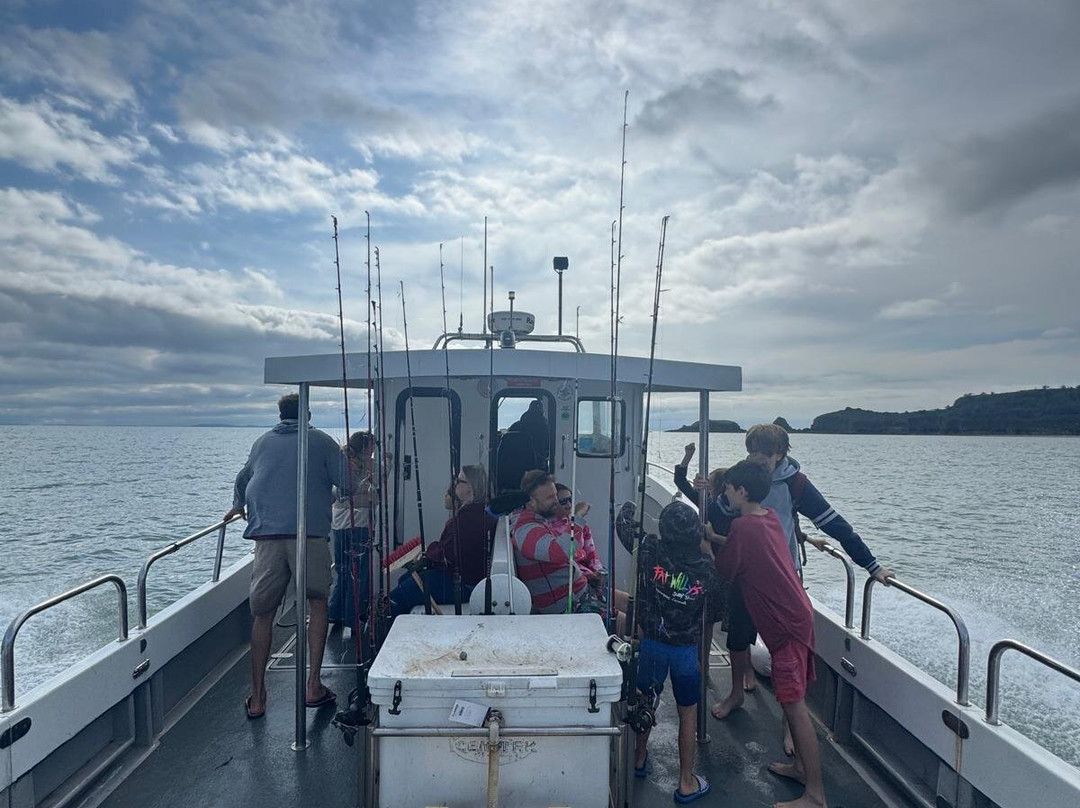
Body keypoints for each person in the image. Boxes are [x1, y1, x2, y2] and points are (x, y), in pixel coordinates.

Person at [713, 423, 894, 732]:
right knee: (738, 636)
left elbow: (835, 523)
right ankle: (735, 693)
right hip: (747, 574)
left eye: (761, 452)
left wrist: (872, 566)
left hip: (783, 575)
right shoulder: (741, 474)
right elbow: (720, 511)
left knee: (787, 652)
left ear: (780, 454)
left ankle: (790, 726)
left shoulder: (795, 484)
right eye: (750, 451)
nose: (754, 458)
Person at [224, 393, 350, 719]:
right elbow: (348, 483)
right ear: (307, 414)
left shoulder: (262, 442)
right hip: (308, 535)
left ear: (280, 414)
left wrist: (238, 505)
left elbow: (243, 478)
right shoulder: (321, 441)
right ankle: (313, 686)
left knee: (263, 614)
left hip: (266, 535)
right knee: (318, 602)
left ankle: (257, 698)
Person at [711, 459, 827, 808]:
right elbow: (746, 549)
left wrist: (706, 546)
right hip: (798, 614)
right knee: (793, 701)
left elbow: (725, 569)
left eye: (728, 488)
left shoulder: (743, 529)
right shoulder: (768, 518)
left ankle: (816, 795)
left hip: (785, 626)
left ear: (741, 491)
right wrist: (717, 536)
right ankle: (798, 768)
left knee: (794, 707)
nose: (725, 493)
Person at [615, 500, 718, 804]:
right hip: (685, 653)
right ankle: (686, 781)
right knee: (688, 714)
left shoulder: (649, 550)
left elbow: (623, 528)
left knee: (646, 702)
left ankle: (639, 757)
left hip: (653, 646)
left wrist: (629, 508)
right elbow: (714, 608)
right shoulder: (706, 569)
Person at [390, 464, 497, 615]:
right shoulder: (473, 514)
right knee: (406, 579)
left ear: (470, 489)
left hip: (463, 586)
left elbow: (449, 555)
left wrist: (428, 552)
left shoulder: (470, 519)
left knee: (395, 599)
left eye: (459, 481)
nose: (455, 484)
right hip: (458, 578)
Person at [512, 470, 602, 615]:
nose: (556, 500)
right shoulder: (526, 530)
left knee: (628, 602)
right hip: (567, 604)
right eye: (549, 497)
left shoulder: (538, 521)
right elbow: (563, 552)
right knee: (631, 624)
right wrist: (577, 517)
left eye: (555, 495)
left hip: (579, 590)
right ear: (531, 502)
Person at [329, 431, 374, 629]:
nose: (372, 455)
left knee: (343, 570)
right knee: (359, 573)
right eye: (371, 450)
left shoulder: (339, 465)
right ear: (364, 450)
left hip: (338, 527)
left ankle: (334, 612)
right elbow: (361, 495)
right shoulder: (363, 469)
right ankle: (353, 619)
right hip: (358, 527)